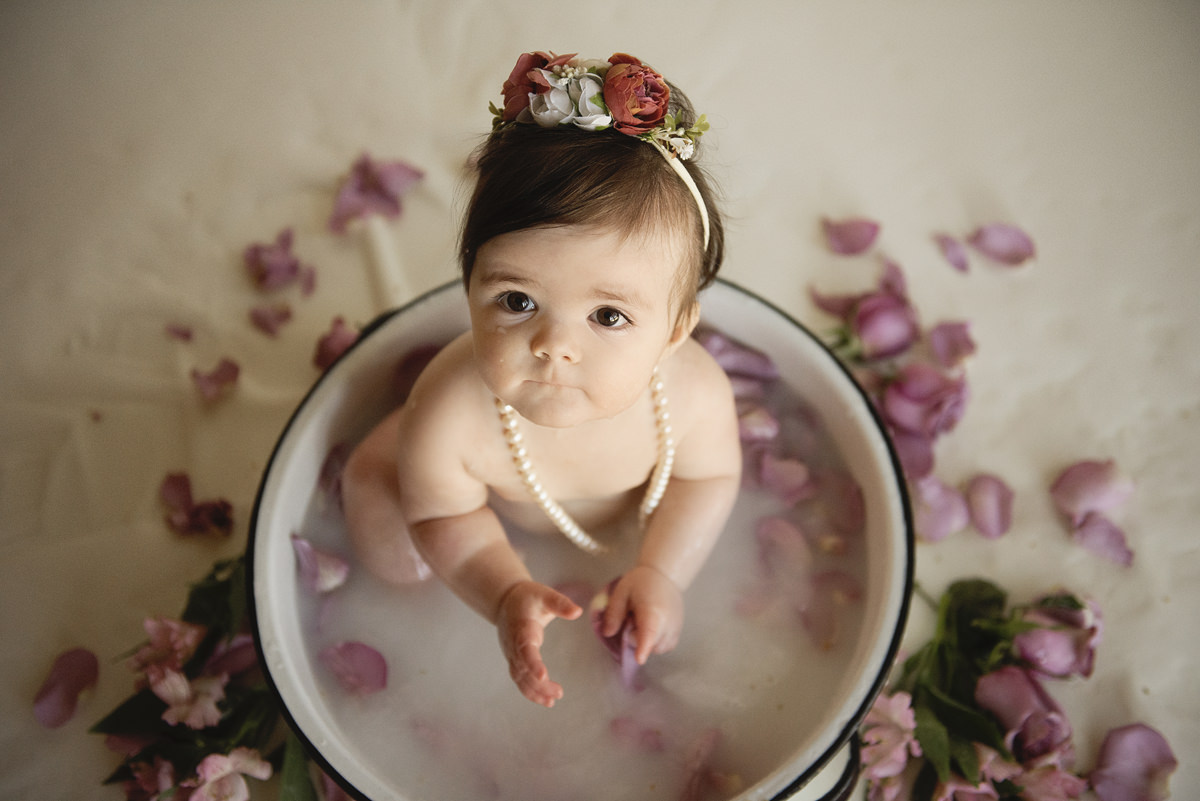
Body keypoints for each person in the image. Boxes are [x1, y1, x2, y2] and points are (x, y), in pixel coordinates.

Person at [342, 51, 741, 708]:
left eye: (608, 314)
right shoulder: (452, 411)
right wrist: (500, 589)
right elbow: (446, 512)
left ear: (674, 331)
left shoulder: (693, 396)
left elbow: (709, 477)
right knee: (396, 546)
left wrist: (661, 569)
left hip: (577, 511)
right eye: (517, 300)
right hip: (474, 496)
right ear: (468, 291)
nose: (555, 346)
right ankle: (380, 455)